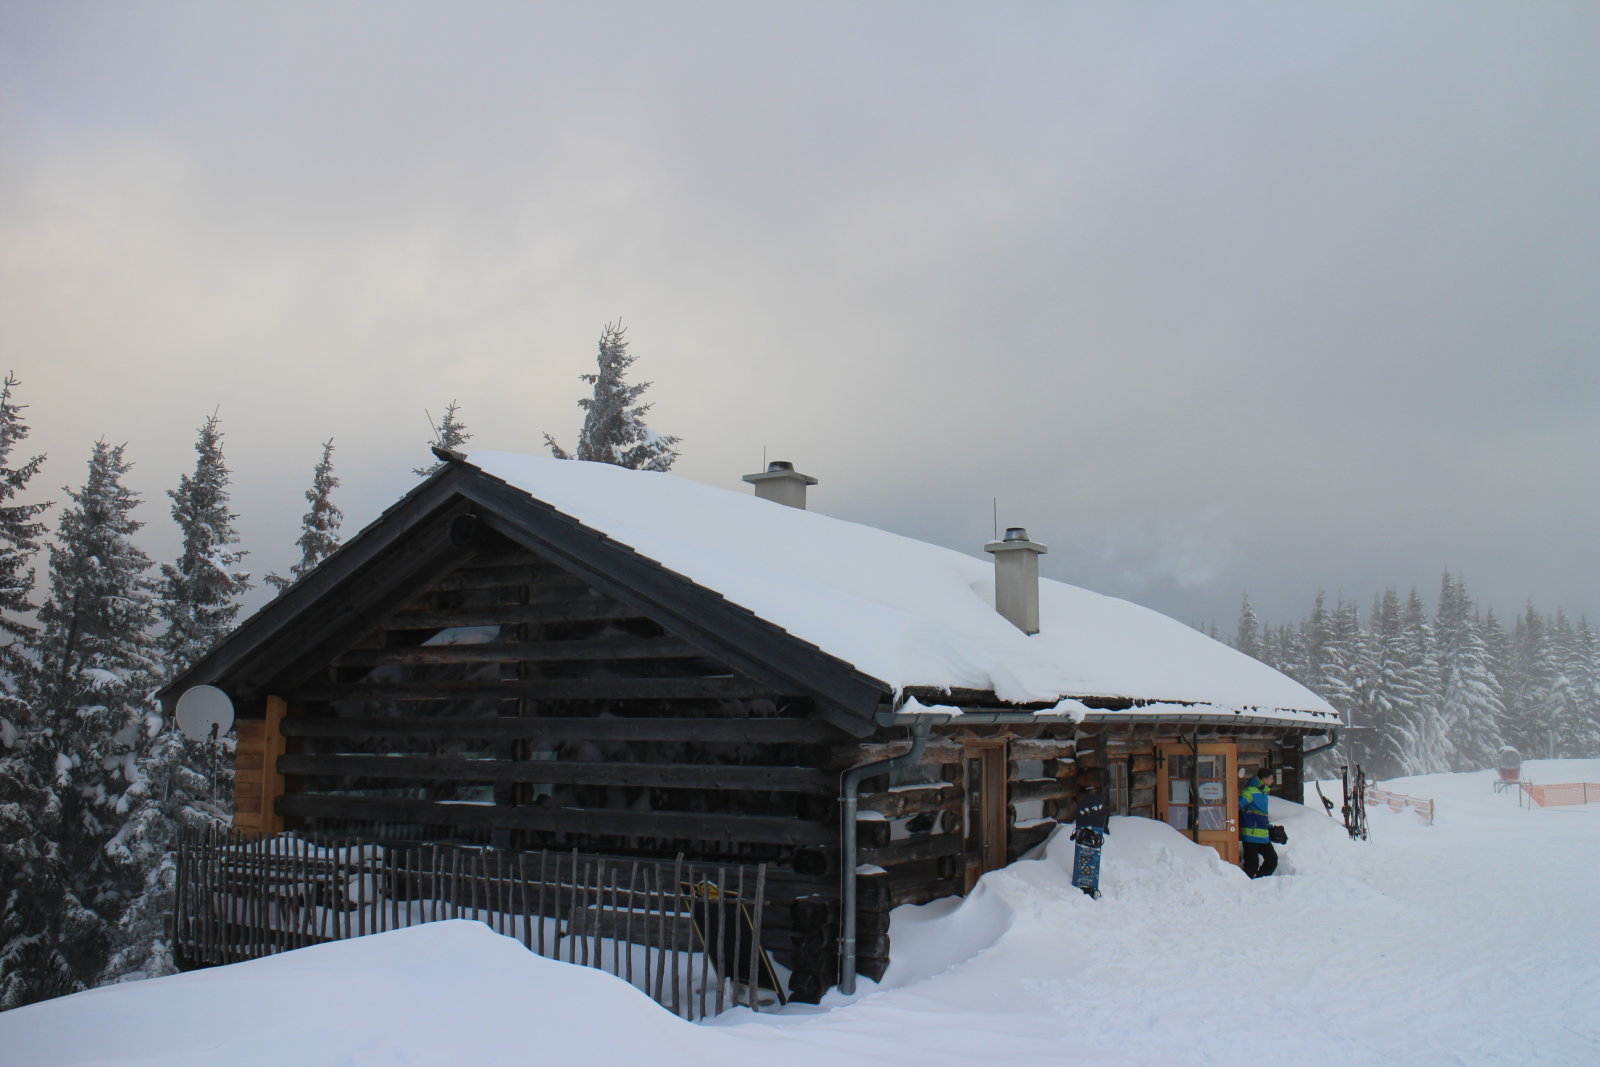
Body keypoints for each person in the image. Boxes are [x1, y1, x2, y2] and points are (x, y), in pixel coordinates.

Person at [1239, 768, 1278, 878]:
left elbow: (1261, 815)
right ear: (1264, 779)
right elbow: (1236, 807)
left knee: (1272, 860)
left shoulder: (1263, 793)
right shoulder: (1249, 792)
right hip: (1250, 836)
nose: (1272, 781)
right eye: (1271, 778)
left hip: (1262, 835)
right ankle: (1246, 884)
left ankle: (1259, 882)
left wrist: (1270, 828)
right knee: (1251, 866)